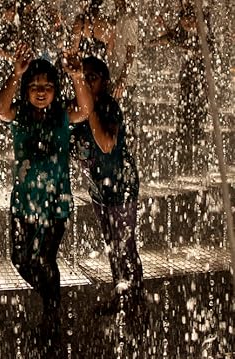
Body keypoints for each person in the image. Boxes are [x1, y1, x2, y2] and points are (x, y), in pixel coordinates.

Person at [0, 43, 92, 342]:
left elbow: (86, 110)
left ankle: (52, 313)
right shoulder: (19, 113)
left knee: (45, 259)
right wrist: (15, 75)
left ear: (55, 90)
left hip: (55, 204)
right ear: (25, 90)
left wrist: (77, 77)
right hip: (23, 204)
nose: (40, 91)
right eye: (34, 86)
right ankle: (50, 298)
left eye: (47, 86)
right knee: (20, 259)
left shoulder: (62, 114)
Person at [70, 56, 143, 316]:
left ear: (105, 81)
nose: (88, 81)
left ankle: (136, 300)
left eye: (93, 77)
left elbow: (107, 144)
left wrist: (89, 112)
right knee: (112, 244)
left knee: (125, 244)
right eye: (83, 76)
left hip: (121, 186)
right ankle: (120, 294)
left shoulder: (109, 107)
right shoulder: (75, 108)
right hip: (99, 189)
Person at [148, 2, 212, 176]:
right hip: (188, 76)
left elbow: (203, 51)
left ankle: (198, 162)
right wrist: (152, 41)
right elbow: (173, 37)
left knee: (197, 118)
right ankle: (185, 160)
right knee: (184, 116)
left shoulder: (203, 25)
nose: (185, 25)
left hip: (200, 78)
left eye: (187, 22)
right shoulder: (187, 24)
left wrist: (179, 44)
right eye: (184, 21)